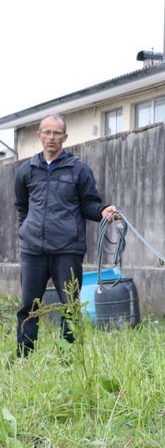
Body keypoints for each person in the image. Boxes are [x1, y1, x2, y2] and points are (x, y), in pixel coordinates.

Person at [13, 115, 118, 357]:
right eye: (47, 133)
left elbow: (89, 203)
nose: (52, 138)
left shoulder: (78, 169)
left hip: (67, 249)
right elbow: (22, 206)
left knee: (70, 307)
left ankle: (70, 359)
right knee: (28, 306)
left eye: (57, 133)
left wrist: (103, 211)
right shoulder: (26, 171)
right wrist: (25, 229)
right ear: (39, 136)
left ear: (65, 137)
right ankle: (24, 357)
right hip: (33, 251)